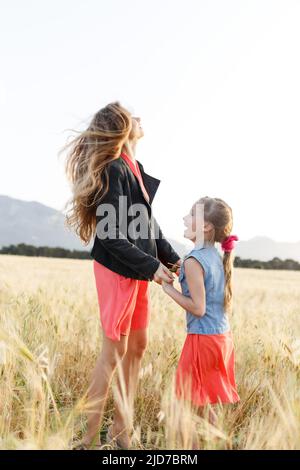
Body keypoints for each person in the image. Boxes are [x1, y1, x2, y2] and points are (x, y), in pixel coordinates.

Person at [64, 102, 181, 449]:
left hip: (140, 269)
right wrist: (152, 267)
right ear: (123, 128)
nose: (142, 118)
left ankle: (120, 432)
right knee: (113, 353)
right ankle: (87, 440)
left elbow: (146, 223)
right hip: (118, 271)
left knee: (137, 347)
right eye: (134, 116)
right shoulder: (114, 170)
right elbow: (112, 235)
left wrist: (173, 261)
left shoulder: (134, 166)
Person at [162, 196, 240, 427]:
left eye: (191, 215)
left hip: (202, 340)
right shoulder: (215, 257)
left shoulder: (194, 260)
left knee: (191, 404)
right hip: (220, 338)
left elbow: (198, 307)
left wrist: (169, 289)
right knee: (200, 405)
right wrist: (177, 273)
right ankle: (219, 444)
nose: (185, 218)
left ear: (205, 226)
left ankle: (214, 445)